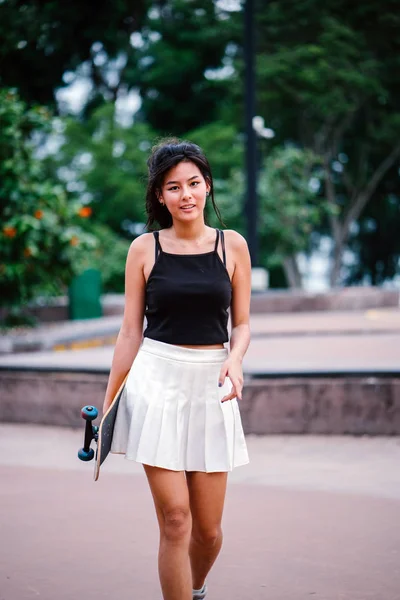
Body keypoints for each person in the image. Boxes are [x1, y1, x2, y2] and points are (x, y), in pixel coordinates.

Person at [104, 138, 251, 600]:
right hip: (156, 381)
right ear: (160, 197)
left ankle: (197, 587)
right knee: (175, 520)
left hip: (212, 383)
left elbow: (242, 324)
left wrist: (235, 359)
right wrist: (109, 405)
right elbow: (130, 332)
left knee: (207, 533)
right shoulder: (143, 249)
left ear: (207, 186)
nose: (185, 194)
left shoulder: (234, 246)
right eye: (173, 187)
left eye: (193, 183)